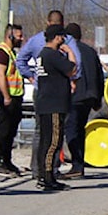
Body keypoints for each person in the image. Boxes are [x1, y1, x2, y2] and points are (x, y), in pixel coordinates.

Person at [17, 10, 83, 178]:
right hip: (55, 97)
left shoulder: (36, 43)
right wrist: (73, 78)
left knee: (40, 134)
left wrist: (32, 77)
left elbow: (21, 60)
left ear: (47, 23)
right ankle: (49, 171)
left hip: (41, 91)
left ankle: (37, 169)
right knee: (54, 137)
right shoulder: (57, 49)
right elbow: (75, 66)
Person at [34, 24, 77, 192]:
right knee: (53, 141)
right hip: (53, 104)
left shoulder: (42, 55)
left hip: (45, 102)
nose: (64, 40)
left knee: (45, 141)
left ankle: (43, 175)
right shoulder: (52, 55)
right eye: (62, 37)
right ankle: (47, 177)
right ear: (57, 37)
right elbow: (71, 69)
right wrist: (70, 53)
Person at [61, 23, 104, 179]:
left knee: (71, 130)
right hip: (89, 97)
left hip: (74, 96)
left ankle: (77, 164)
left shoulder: (68, 51)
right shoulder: (91, 52)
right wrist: (99, 98)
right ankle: (79, 164)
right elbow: (100, 76)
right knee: (80, 130)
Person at [0, 23, 25, 177]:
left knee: (11, 131)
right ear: (10, 36)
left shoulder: (11, 53)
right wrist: (6, 96)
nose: (21, 39)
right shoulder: (2, 53)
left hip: (15, 96)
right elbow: (1, 75)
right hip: (6, 96)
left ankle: (7, 160)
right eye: (19, 36)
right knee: (3, 130)